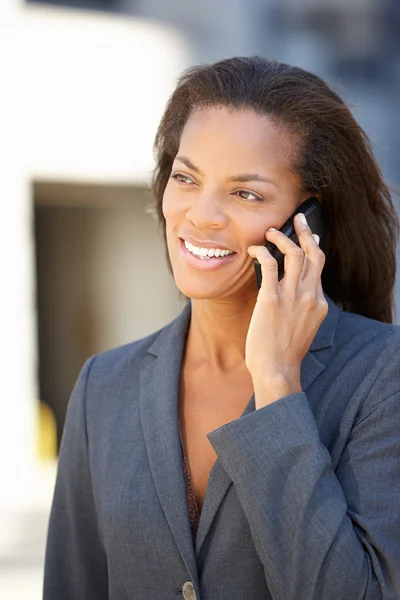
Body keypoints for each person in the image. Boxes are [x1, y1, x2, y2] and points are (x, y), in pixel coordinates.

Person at [43, 56, 400, 600]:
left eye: (246, 193)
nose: (201, 215)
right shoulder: (103, 385)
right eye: (186, 178)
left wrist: (278, 383)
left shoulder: (382, 376)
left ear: (308, 220)